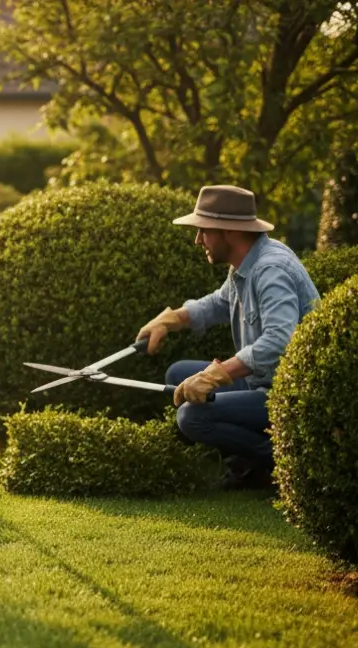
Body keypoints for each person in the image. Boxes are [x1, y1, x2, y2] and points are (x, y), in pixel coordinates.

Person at [137, 184, 320, 489]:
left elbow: (280, 340)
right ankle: (250, 456)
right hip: (263, 378)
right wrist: (171, 320)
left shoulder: (271, 269)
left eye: (204, 231)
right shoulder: (247, 262)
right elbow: (220, 303)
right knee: (178, 373)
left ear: (230, 231)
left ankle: (278, 463)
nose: (198, 240)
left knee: (192, 417)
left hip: (288, 392)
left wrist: (217, 375)